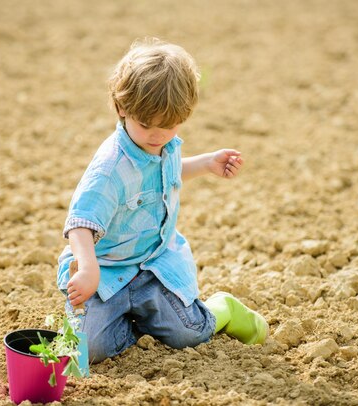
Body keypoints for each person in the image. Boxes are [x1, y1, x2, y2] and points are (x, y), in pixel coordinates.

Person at [57, 38, 268, 363]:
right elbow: (81, 222)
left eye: (168, 125)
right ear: (122, 108)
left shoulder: (163, 145)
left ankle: (221, 308)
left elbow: (162, 176)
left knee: (190, 333)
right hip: (107, 273)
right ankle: (130, 322)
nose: (157, 134)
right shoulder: (110, 169)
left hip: (152, 268)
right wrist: (88, 268)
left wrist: (206, 163)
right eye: (146, 125)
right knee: (85, 350)